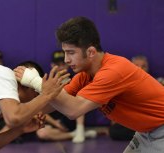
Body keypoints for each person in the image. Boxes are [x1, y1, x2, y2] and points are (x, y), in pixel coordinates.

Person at [14, 16, 164, 153]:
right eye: (65, 52)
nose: (66, 60)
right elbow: (56, 101)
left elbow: (73, 110)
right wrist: (27, 112)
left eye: (71, 53)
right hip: (146, 132)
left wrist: (35, 82)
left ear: (91, 52)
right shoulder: (84, 75)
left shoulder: (113, 71)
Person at [109, 55, 149, 141]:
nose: (141, 68)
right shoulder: (122, 85)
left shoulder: (155, 84)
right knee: (114, 131)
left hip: (149, 121)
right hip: (131, 123)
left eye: (144, 66)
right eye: (137, 65)